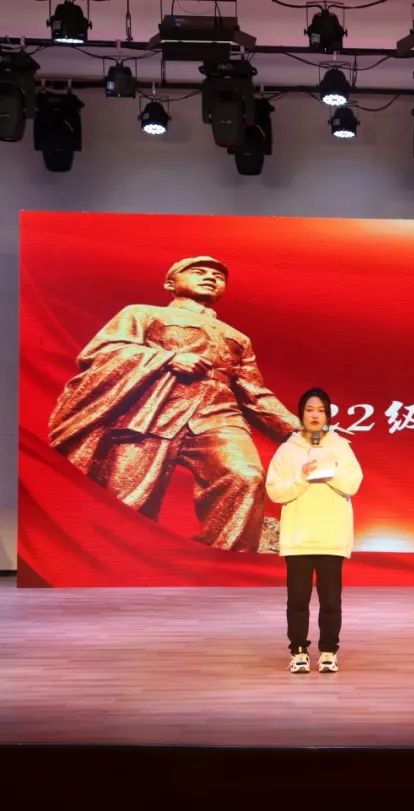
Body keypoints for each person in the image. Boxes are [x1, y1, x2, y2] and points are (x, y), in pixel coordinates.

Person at [48, 256, 301, 551]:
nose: (210, 277)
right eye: (198, 272)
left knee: (245, 476)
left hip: (218, 414)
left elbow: (255, 393)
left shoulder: (238, 338)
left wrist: (304, 430)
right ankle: (115, 559)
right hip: (153, 412)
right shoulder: (142, 313)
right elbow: (101, 352)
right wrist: (168, 358)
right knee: (129, 497)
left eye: (218, 276)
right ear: (170, 284)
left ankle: (221, 561)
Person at [266, 388, 363, 674]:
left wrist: (328, 470)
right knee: (298, 600)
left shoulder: (341, 447)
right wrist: (302, 476)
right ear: (301, 414)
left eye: (320, 410)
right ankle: (298, 651)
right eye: (309, 410)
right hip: (298, 537)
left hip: (331, 536)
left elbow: (353, 484)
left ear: (328, 415)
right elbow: (275, 491)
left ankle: (328, 651)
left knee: (330, 600)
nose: (315, 415)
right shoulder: (287, 450)